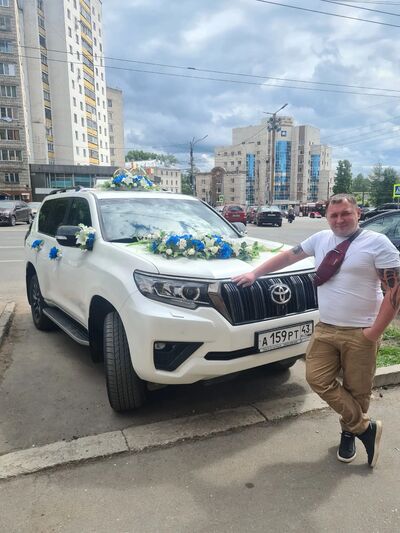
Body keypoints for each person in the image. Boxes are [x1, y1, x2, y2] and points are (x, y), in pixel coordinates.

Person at [233, 193, 400, 468]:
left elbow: (394, 291)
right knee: (317, 378)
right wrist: (255, 273)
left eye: (345, 213)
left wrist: (373, 333)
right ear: (327, 217)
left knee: (358, 390)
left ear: (358, 214)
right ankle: (364, 428)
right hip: (326, 327)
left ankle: (349, 433)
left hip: (361, 331)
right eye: (333, 215)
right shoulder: (321, 239)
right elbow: (288, 256)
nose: (339, 219)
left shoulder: (377, 243)